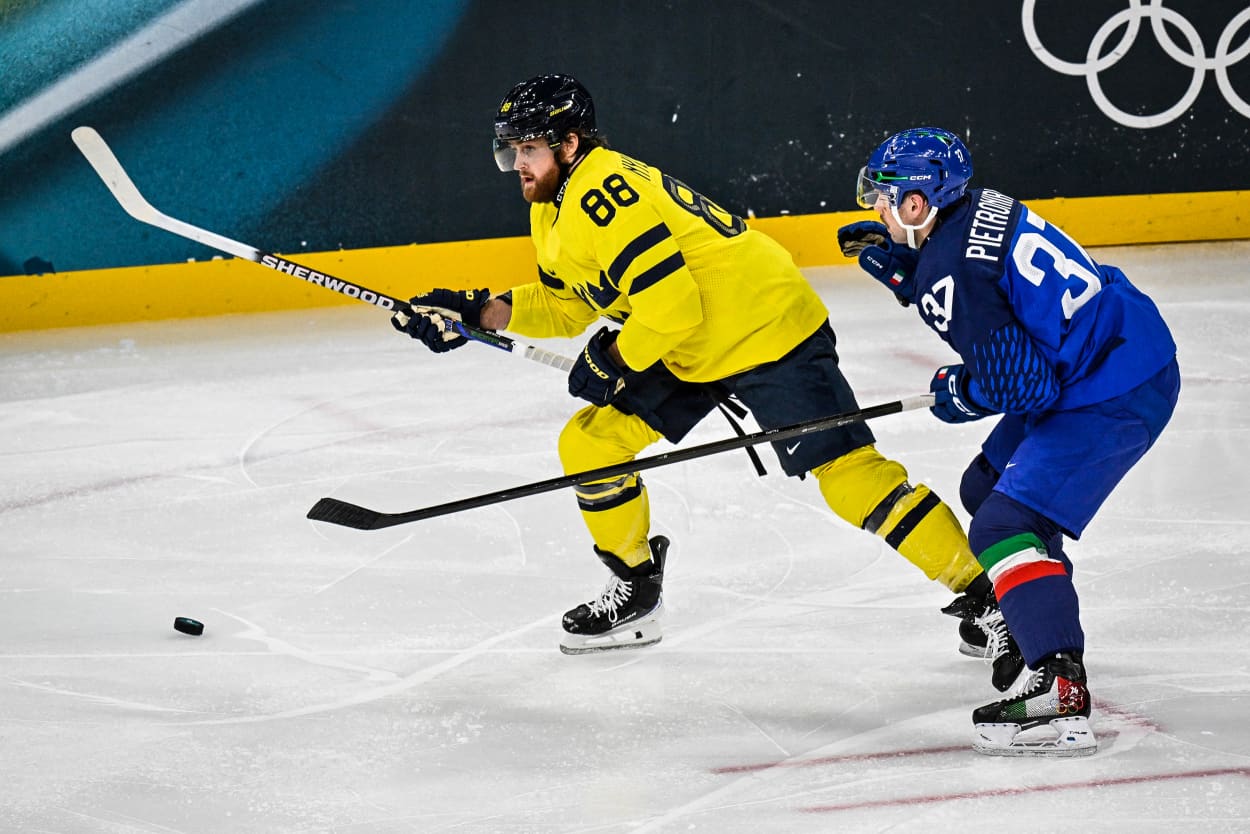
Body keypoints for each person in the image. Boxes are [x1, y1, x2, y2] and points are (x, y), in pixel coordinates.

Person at [392, 75, 1012, 670]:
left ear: (570, 143)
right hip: (689, 339)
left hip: (767, 330)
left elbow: (670, 306)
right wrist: (480, 310)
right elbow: (570, 300)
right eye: (511, 150)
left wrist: (614, 361)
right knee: (591, 441)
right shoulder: (552, 204)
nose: (517, 163)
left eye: (528, 148)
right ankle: (637, 589)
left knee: (849, 479)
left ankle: (995, 601)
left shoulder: (604, 195)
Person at [838, 127, 1180, 757]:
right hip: (1118, 348)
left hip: (1110, 389)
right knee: (985, 486)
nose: (877, 211)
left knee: (1000, 526)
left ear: (918, 204)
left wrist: (959, 392)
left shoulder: (951, 270)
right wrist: (912, 275)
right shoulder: (978, 208)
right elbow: (989, 283)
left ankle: (1056, 684)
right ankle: (1033, 619)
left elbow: (1021, 382)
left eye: (886, 199)